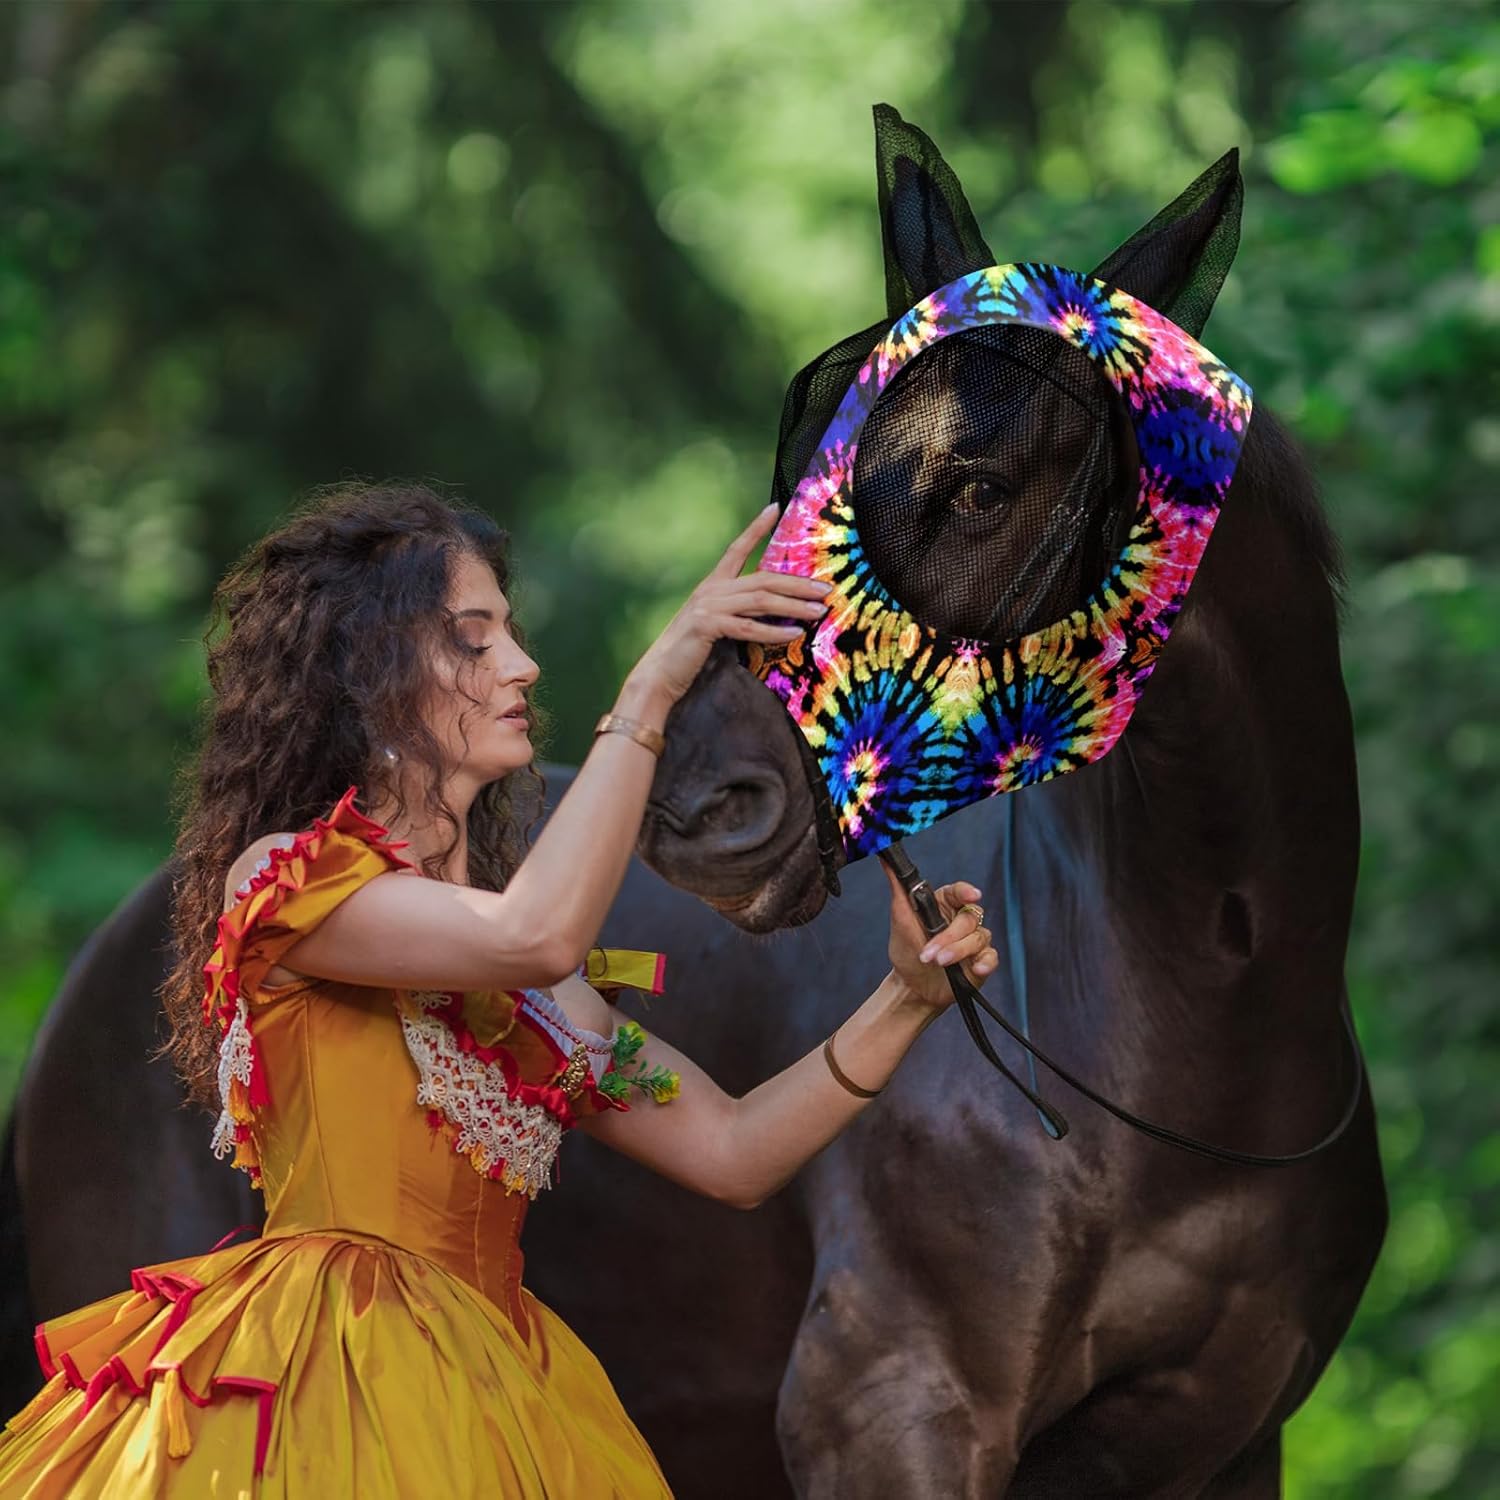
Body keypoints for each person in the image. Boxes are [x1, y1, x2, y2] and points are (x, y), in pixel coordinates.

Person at [0, 481, 997, 1497]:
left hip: (500, 1386)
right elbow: (533, 929)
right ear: (370, 677)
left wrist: (905, 998)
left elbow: (733, 1150)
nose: (520, 665)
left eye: (509, 635)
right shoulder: (292, 879)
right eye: (473, 640)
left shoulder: (533, 985)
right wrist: (648, 696)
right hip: (326, 1373)